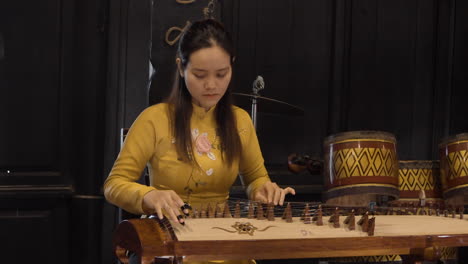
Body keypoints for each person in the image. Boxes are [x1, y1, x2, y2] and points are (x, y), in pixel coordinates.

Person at [104, 18, 295, 249]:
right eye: (200, 75)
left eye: (221, 74)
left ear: (232, 66)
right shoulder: (154, 119)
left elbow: (256, 179)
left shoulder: (240, 121)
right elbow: (114, 185)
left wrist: (263, 190)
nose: (212, 85)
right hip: (169, 237)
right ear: (181, 68)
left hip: (223, 236)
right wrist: (148, 196)